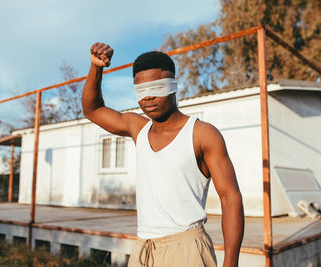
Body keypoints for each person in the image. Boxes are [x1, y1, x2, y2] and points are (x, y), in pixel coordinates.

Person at [82, 42, 244, 267]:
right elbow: (93, 109)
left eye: (156, 88)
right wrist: (96, 68)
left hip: (187, 249)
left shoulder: (201, 134)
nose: (147, 97)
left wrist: (231, 263)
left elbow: (231, 198)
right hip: (144, 249)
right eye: (141, 90)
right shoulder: (138, 128)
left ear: (174, 86)